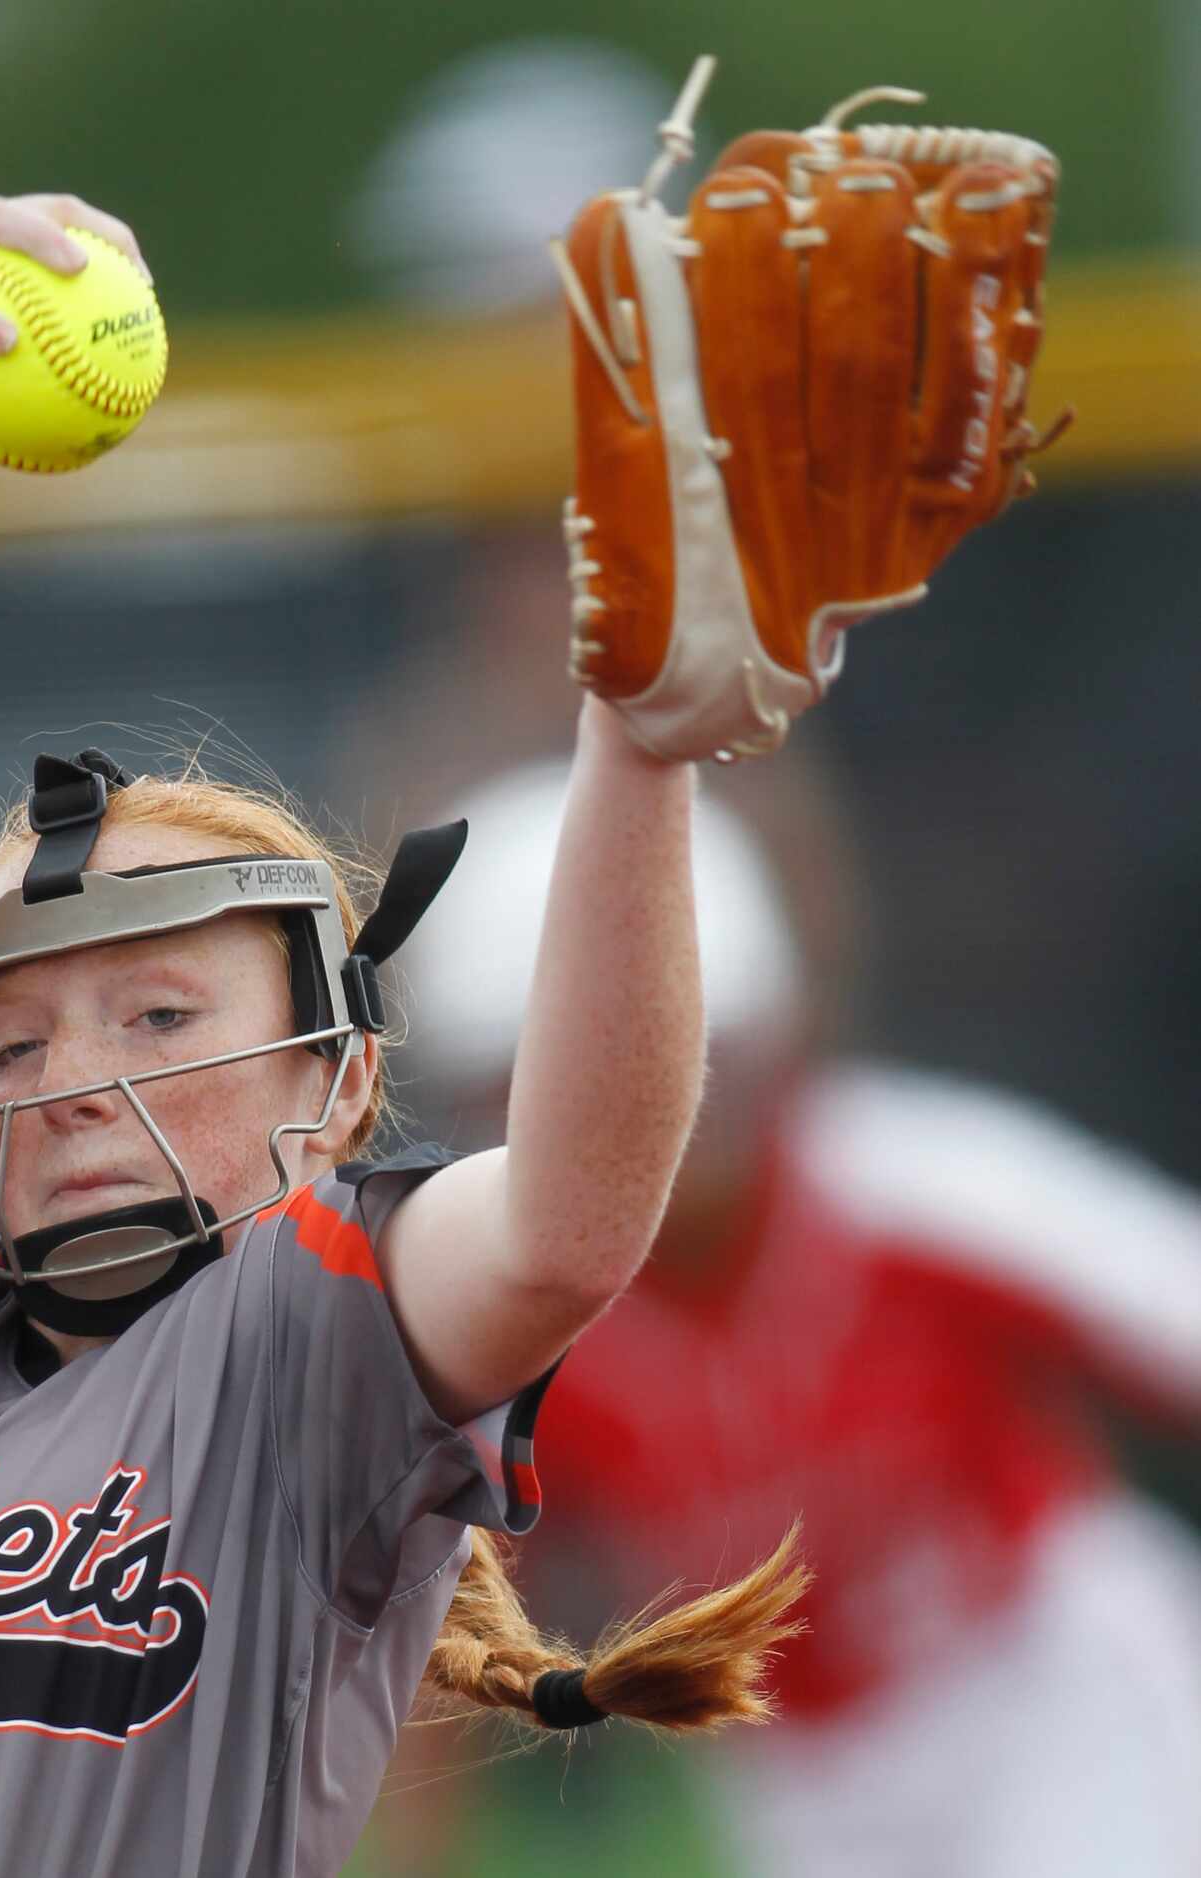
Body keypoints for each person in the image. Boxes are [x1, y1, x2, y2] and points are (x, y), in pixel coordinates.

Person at [0, 193, 804, 1878]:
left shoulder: (307, 1329)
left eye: (158, 1012)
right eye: (9, 1046)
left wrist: (638, 745)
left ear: (336, 1079)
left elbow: (568, 1212)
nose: (76, 1076)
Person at [406, 759, 1201, 1878]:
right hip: (800, 1765)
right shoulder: (501, 1337)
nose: (651, 1107)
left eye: (682, 1048)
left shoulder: (924, 1191)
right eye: (565, 1074)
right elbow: (429, 1639)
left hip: (1052, 1691)